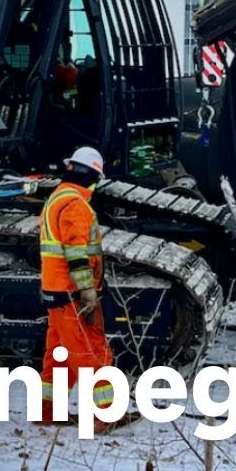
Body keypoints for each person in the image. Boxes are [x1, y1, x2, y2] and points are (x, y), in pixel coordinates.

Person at [37, 146, 136, 433]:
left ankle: (48, 410)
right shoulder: (75, 204)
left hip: (56, 290)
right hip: (73, 293)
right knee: (91, 351)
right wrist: (88, 291)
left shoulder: (57, 197)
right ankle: (107, 412)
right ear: (92, 176)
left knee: (59, 353)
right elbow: (76, 254)